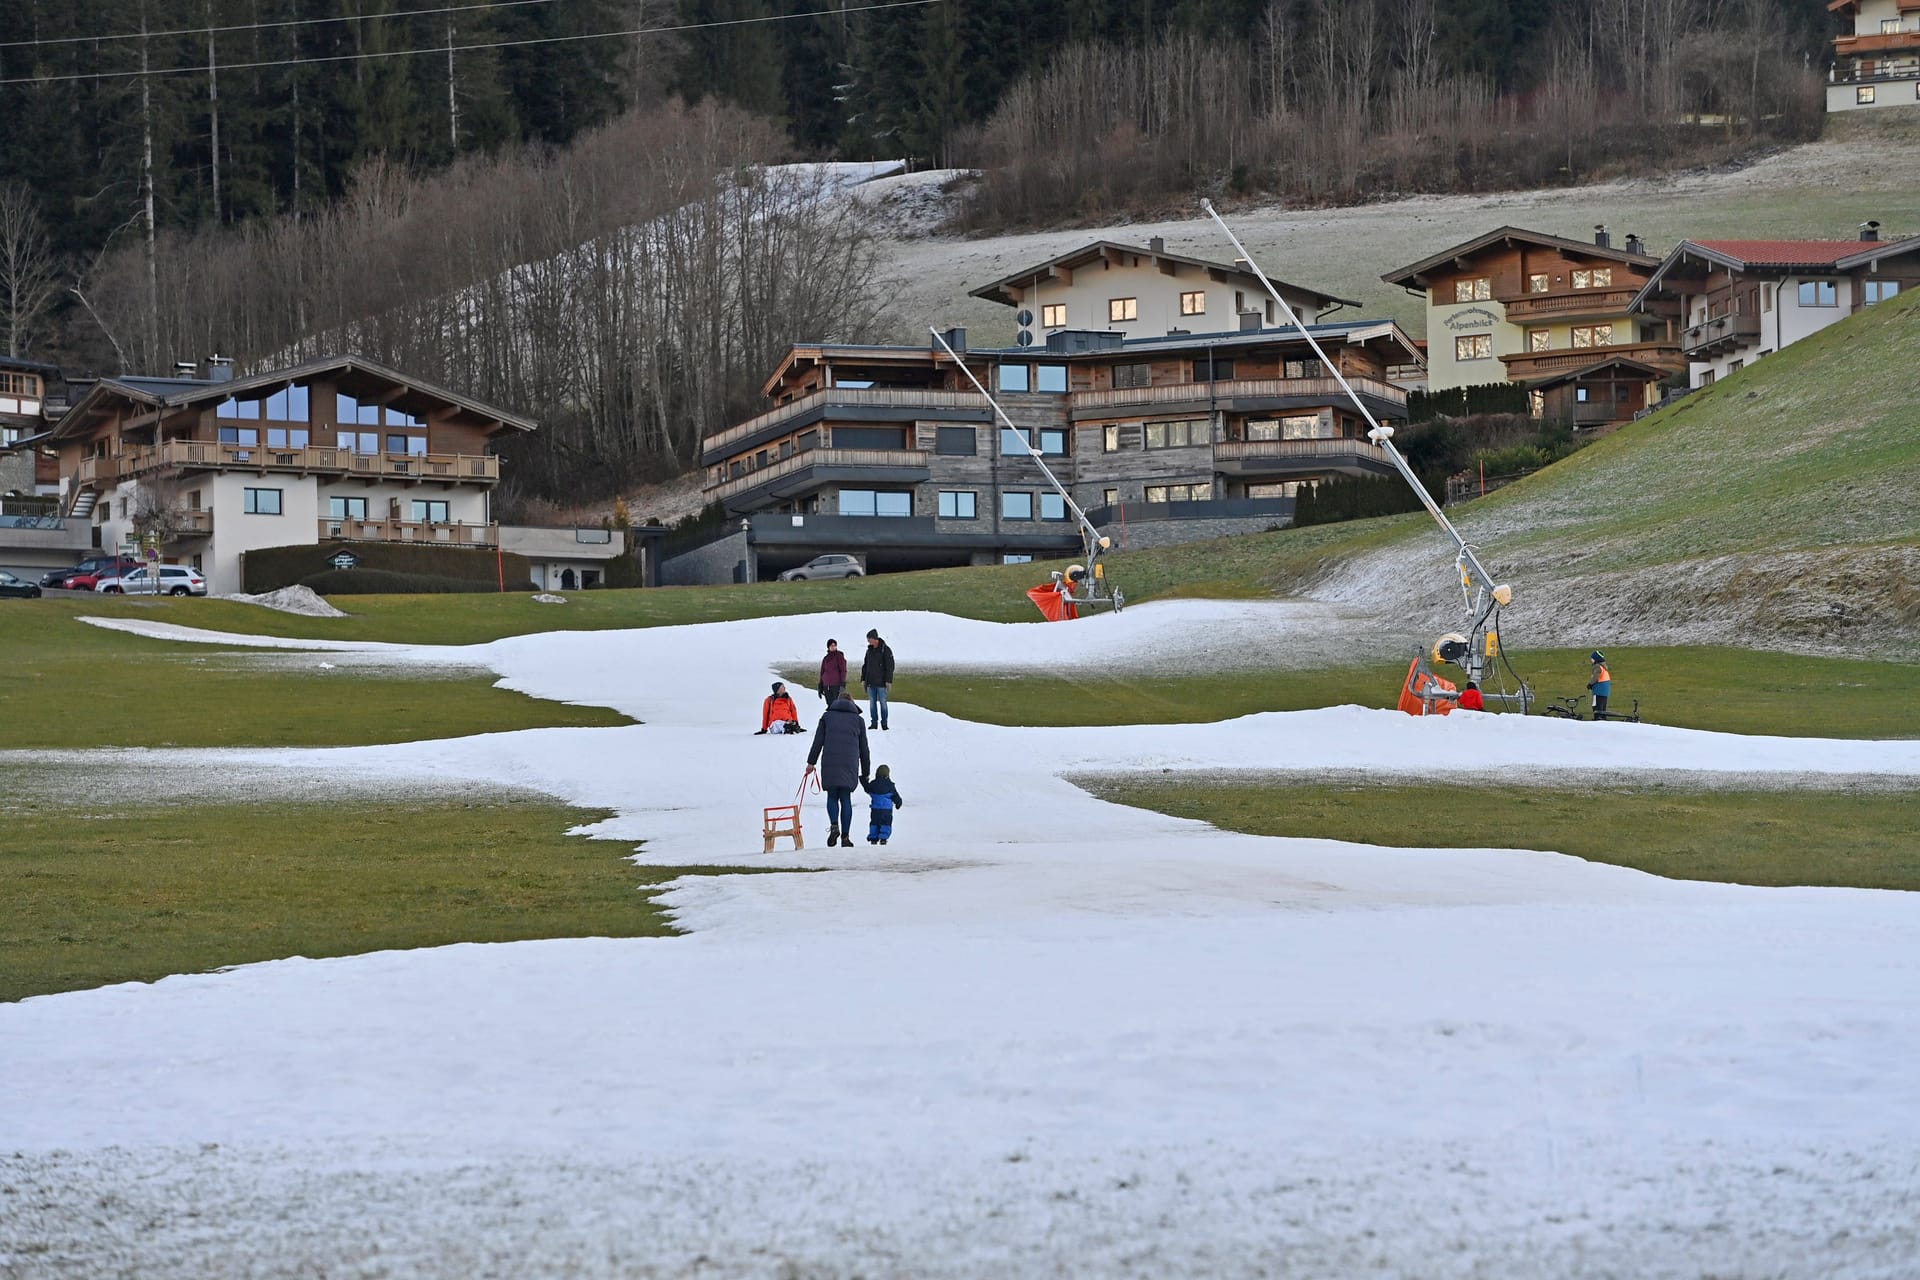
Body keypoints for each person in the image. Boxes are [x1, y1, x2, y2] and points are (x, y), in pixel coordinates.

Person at [807, 693, 870, 847]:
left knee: (832, 796)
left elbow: (818, 741)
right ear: (852, 703)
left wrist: (811, 762)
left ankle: (834, 825)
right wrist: (866, 771)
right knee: (846, 798)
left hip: (830, 762)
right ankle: (845, 837)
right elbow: (864, 749)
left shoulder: (827, 717)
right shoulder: (858, 720)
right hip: (849, 764)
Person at [861, 764, 905, 845]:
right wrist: (898, 803)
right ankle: (883, 838)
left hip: (875, 810)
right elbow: (896, 796)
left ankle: (873, 838)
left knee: (874, 823)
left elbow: (867, 788)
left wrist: (863, 780)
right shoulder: (890, 785)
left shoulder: (873, 784)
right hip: (886, 810)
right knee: (886, 823)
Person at [862, 628, 896, 730]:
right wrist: (863, 679)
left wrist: (888, 681)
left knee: (883, 703)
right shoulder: (869, 651)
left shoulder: (885, 649)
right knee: (872, 704)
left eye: (869, 639)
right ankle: (874, 723)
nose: (868, 641)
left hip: (882, 684)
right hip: (871, 683)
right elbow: (865, 666)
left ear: (874, 639)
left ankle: (884, 724)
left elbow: (890, 666)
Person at [818, 638, 847, 705]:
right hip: (826, 685)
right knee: (829, 704)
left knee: (836, 704)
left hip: (836, 685)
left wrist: (843, 683)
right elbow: (822, 672)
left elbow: (843, 670)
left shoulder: (839, 656)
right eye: (831, 645)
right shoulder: (825, 658)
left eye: (834, 645)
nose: (833, 647)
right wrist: (820, 685)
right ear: (828, 647)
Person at [1587, 651, 1612, 718]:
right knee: (1603, 709)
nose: (1591, 659)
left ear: (1596, 659)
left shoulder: (1597, 667)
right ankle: (1603, 721)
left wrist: (1590, 684)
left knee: (1596, 708)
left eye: (1592, 658)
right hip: (1605, 692)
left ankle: (1597, 721)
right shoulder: (1603, 667)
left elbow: (1596, 677)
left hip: (1598, 691)